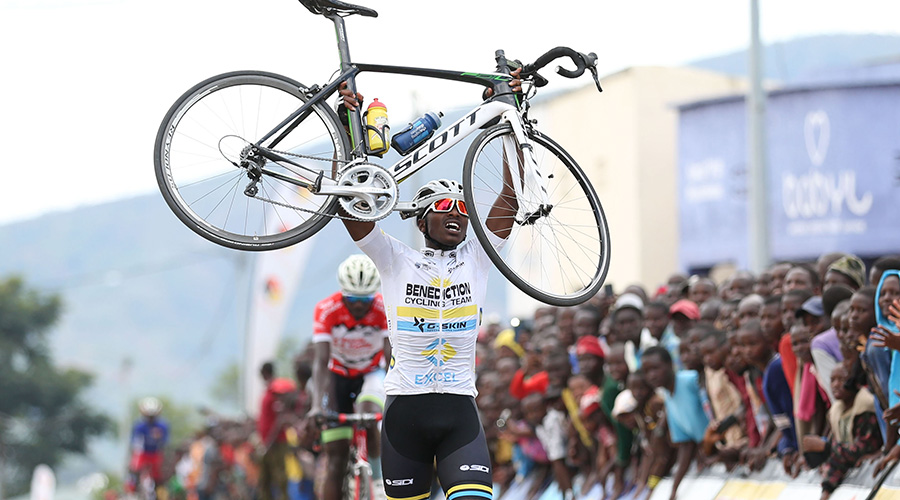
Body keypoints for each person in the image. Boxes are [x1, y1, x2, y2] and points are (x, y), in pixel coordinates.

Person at [337, 71, 523, 500]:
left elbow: (510, 198)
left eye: (463, 206)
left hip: (459, 411)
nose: (458, 212)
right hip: (405, 413)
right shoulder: (396, 259)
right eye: (444, 206)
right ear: (422, 219)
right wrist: (345, 133)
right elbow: (349, 208)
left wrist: (509, 120)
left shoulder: (478, 257)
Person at [308, 254, 389, 500]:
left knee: (367, 413)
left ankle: (377, 481)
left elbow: (392, 354)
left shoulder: (384, 307)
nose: (359, 306)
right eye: (352, 299)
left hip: (371, 373)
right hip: (337, 376)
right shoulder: (326, 309)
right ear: (343, 293)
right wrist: (315, 406)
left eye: (365, 299)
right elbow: (321, 362)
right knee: (336, 457)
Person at [128, 396, 169, 494]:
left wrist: (159, 439)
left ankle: (161, 493)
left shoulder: (163, 426)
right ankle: (132, 490)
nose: (150, 418)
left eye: (153, 416)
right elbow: (134, 441)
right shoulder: (139, 426)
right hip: (142, 453)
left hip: (156, 454)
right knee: (134, 469)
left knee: (161, 476)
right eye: (148, 416)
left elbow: (165, 441)